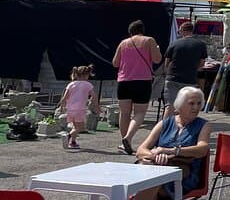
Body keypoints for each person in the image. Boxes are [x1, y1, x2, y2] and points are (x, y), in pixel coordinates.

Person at [123, 86, 211, 200]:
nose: (196, 107)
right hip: (158, 173)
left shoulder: (204, 125)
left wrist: (173, 151)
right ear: (180, 105)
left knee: (152, 183)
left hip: (184, 176)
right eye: (191, 103)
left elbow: (202, 149)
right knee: (151, 192)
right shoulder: (165, 123)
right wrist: (156, 155)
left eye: (199, 103)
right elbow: (141, 150)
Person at [112, 19, 162, 155]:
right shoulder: (149, 40)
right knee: (139, 112)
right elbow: (157, 59)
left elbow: (115, 63)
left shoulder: (123, 43)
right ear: (142, 30)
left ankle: (124, 141)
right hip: (142, 81)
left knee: (124, 113)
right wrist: (157, 50)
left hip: (123, 81)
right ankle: (128, 138)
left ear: (130, 31)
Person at [162, 21, 207, 115]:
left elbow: (166, 63)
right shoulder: (201, 45)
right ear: (192, 31)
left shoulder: (174, 44)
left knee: (170, 106)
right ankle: (182, 123)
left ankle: (167, 124)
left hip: (172, 78)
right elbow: (201, 64)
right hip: (189, 79)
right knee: (186, 106)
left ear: (182, 30)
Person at [57, 64, 101, 150]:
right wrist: (96, 106)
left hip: (70, 109)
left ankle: (73, 142)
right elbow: (94, 96)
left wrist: (62, 106)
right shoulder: (88, 84)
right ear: (86, 75)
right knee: (81, 127)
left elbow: (64, 97)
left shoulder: (71, 84)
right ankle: (68, 136)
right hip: (80, 109)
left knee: (75, 126)